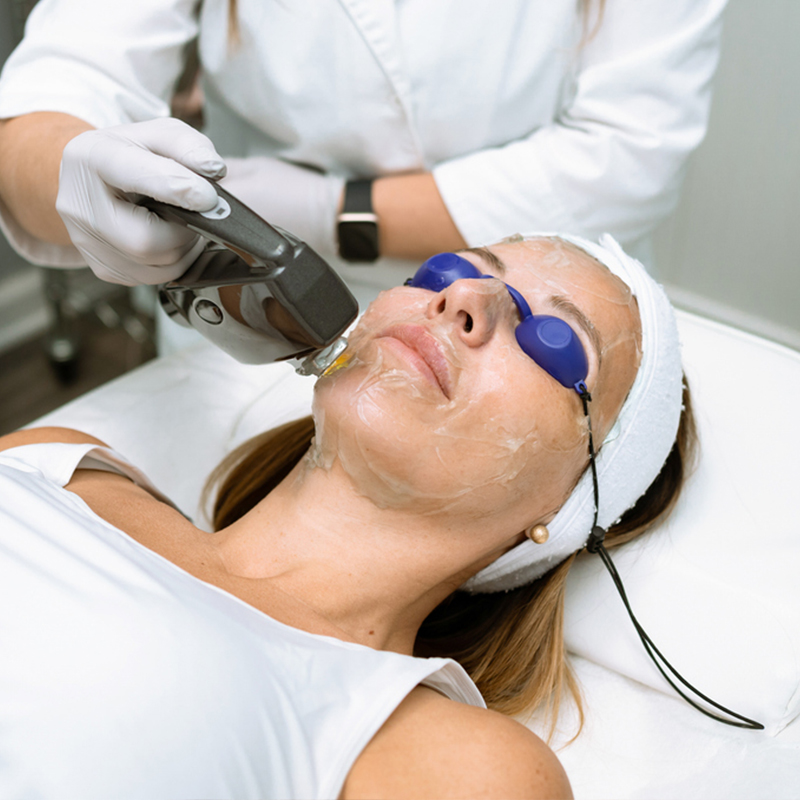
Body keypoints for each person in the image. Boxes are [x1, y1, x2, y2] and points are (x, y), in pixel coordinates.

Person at [0, 233, 694, 798]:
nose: (464, 296)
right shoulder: (65, 465)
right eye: (446, 267)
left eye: (553, 338)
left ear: (564, 511)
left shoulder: (453, 764)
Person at [0, 0, 726, 305]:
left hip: (540, 299)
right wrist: (74, 170)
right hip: (260, 305)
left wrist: (327, 214)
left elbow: (630, 154)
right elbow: (65, 82)